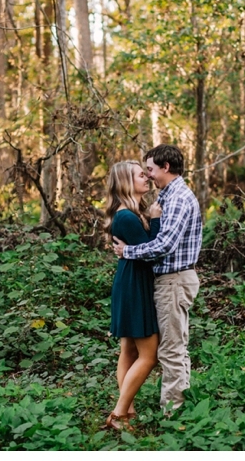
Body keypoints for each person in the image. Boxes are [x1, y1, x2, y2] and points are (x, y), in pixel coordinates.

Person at [113, 144, 203, 414]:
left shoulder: (177, 198)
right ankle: (127, 410)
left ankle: (171, 413)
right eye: (143, 172)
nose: (149, 176)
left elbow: (163, 245)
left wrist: (127, 251)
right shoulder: (165, 197)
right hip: (160, 281)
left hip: (174, 280)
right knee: (162, 349)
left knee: (171, 350)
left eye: (150, 169)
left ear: (166, 167)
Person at [102, 160, 163, 431]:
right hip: (135, 284)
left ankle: (128, 410)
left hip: (130, 281)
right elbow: (153, 252)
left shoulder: (130, 212)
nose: (147, 178)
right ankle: (119, 414)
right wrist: (158, 219)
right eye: (141, 175)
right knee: (148, 356)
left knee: (128, 350)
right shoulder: (126, 216)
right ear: (127, 181)